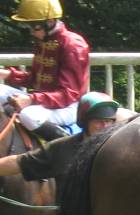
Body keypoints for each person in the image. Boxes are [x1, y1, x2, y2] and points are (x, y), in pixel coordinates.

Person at [0, 0, 90, 141]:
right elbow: (36, 79)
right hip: (44, 101)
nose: (32, 32)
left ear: (50, 22)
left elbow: (69, 94)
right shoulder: (44, 40)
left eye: (34, 26)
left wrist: (31, 99)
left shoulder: (73, 44)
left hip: (69, 107)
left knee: (29, 115)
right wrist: (8, 74)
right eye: (28, 26)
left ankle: (71, 147)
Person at [0, 91, 118, 193]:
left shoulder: (120, 152)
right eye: (98, 121)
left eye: (108, 121)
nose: (105, 126)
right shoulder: (63, 149)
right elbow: (19, 163)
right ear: (85, 121)